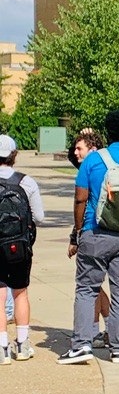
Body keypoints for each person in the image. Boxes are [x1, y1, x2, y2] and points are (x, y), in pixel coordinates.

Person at [58, 111, 119, 365]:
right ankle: (118, 349)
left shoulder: (94, 161)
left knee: (87, 289)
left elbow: (80, 199)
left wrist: (79, 231)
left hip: (96, 233)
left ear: (108, 132)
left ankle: (81, 345)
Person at [0, 135, 44, 365]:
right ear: (14, 155)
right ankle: (23, 345)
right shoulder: (26, 182)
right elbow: (40, 217)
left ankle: (2, 349)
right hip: (19, 245)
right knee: (20, 293)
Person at [67, 128, 112, 347]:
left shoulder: (92, 167)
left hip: (93, 232)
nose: (75, 152)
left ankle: (94, 332)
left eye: (79, 148)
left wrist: (75, 237)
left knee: (89, 286)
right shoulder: (104, 165)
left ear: (92, 149)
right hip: (112, 232)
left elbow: (82, 205)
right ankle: (111, 327)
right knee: (96, 285)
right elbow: (72, 157)